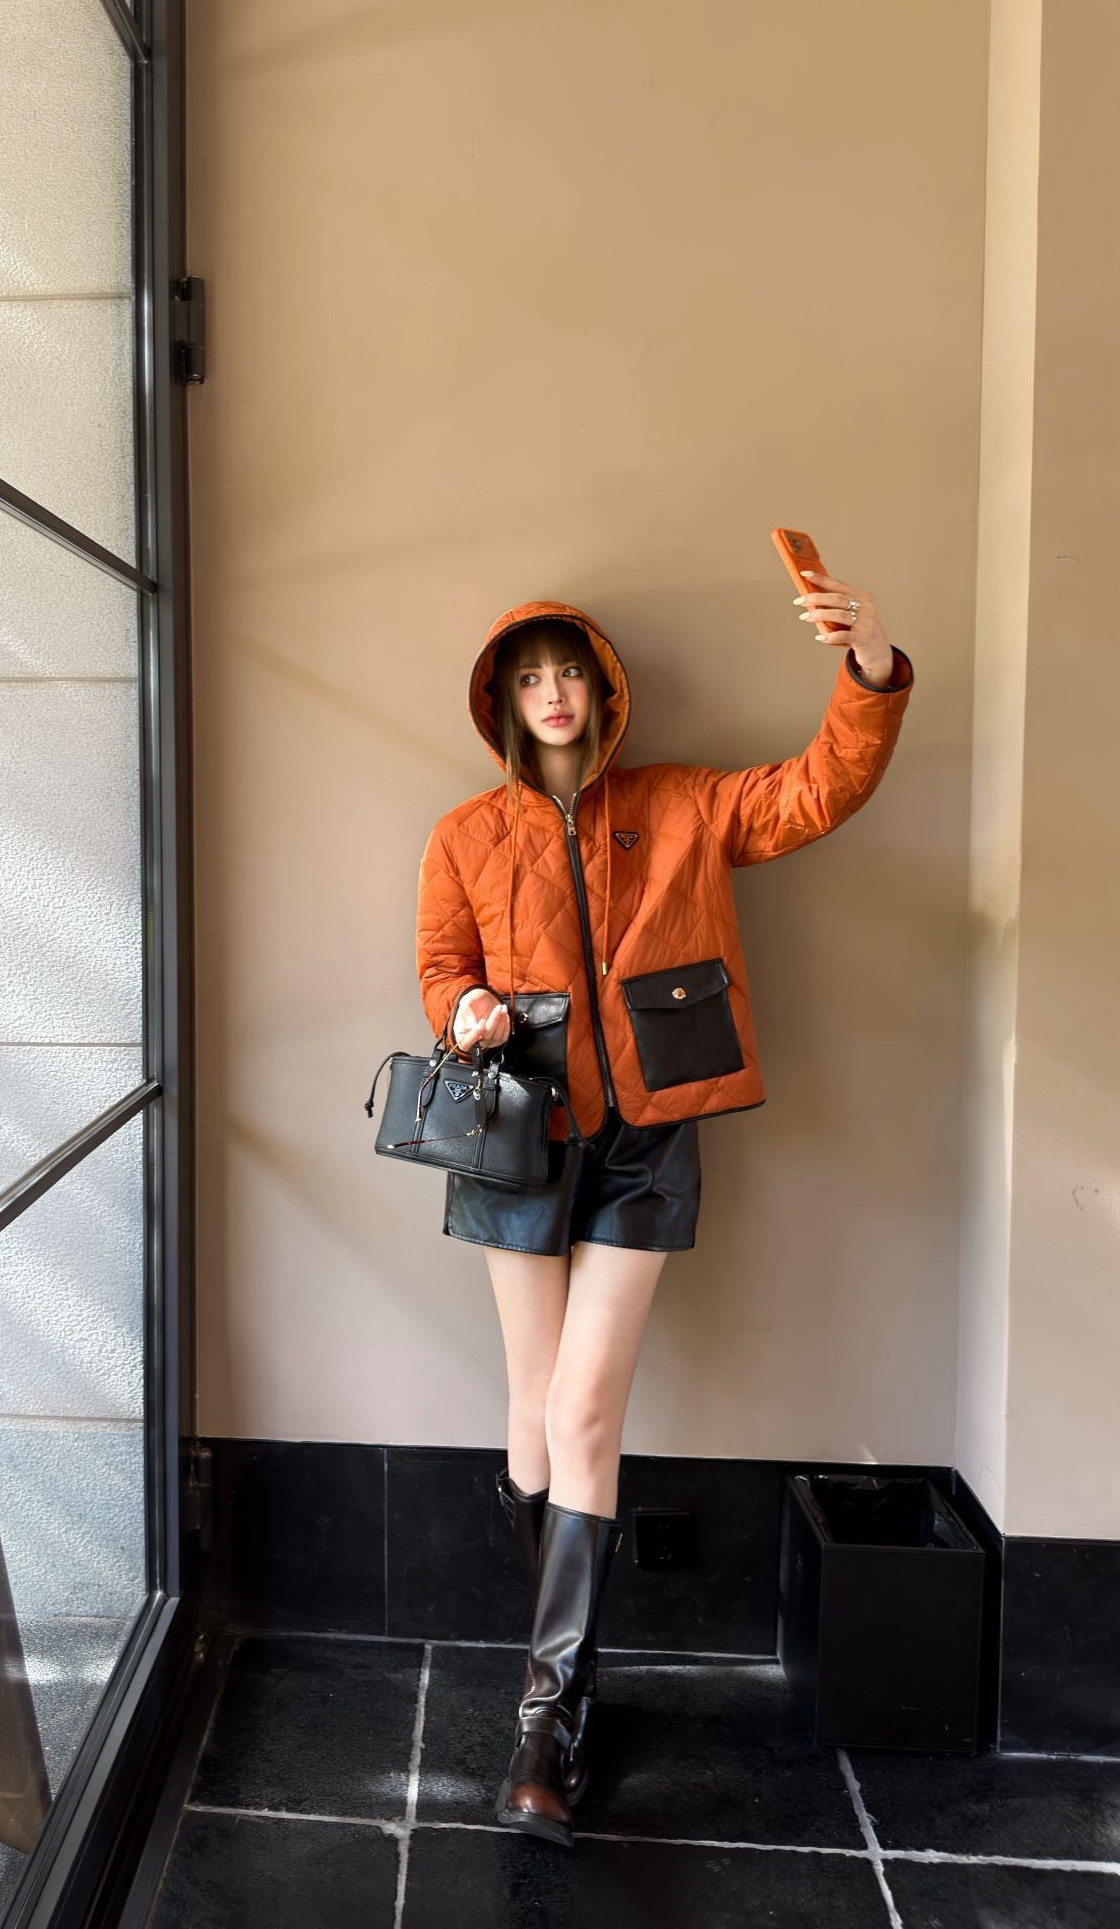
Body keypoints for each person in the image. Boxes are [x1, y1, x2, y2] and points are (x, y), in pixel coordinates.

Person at [414, 575, 915, 1847]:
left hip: (647, 1138)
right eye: (530, 677)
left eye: (568, 672)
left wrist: (869, 665)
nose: (553, 695)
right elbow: (440, 965)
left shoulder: (683, 803)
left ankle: (546, 1723)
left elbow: (818, 789)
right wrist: (464, 1009)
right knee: (533, 1406)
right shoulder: (466, 833)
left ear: (604, 688)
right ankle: (566, 1674)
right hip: (518, 1136)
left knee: (585, 1408)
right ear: (502, 700)